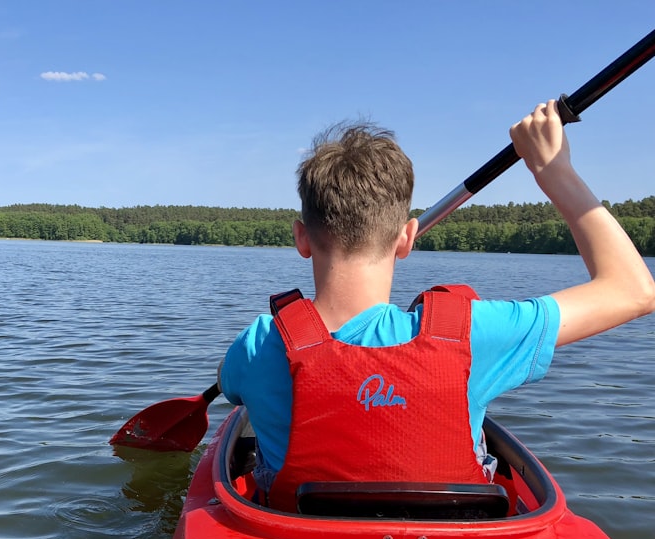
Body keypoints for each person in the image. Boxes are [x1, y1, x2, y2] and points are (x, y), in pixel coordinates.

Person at [218, 100, 655, 513]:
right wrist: (552, 170)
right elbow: (634, 291)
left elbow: (230, 385)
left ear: (301, 237)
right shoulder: (473, 334)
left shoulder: (257, 345)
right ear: (407, 238)